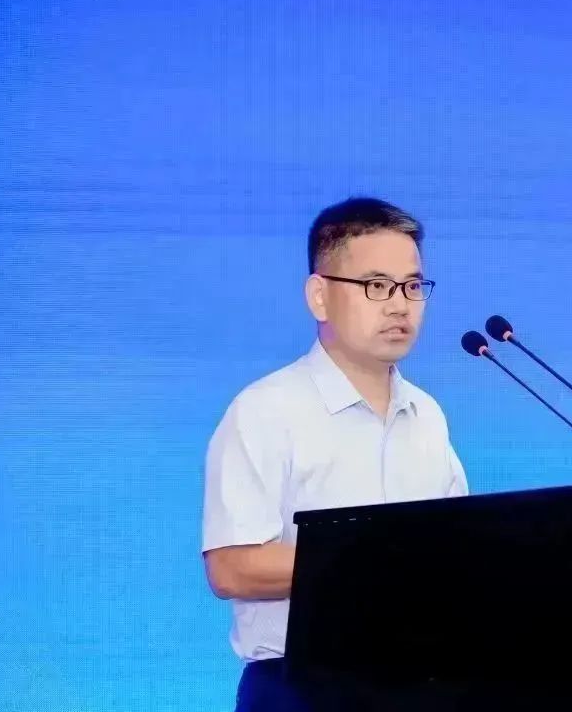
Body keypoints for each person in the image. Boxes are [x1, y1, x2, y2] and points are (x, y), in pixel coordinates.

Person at [201, 197, 469, 711]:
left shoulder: (427, 415)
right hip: (302, 686)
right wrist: (374, 559)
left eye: (413, 286)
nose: (400, 305)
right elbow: (231, 567)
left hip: (420, 681)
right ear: (319, 296)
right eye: (377, 286)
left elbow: (452, 551)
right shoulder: (266, 410)